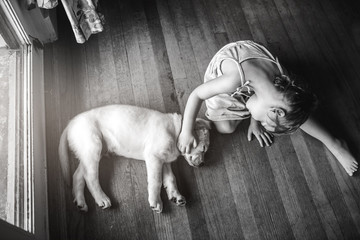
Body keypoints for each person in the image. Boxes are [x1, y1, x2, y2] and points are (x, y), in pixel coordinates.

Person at [177, 40, 358, 176]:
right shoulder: (233, 81)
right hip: (232, 64)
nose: (261, 122)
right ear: (274, 111)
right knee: (226, 128)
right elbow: (197, 95)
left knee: (294, 108)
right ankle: (331, 141)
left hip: (257, 81)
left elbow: (284, 109)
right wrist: (186, 131)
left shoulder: (285, 84)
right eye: (264, 121)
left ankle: (333, 142)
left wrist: (255, 122)